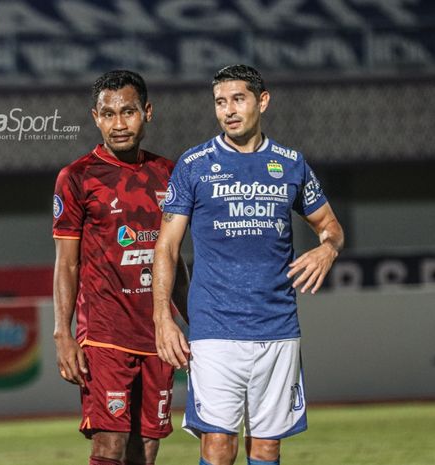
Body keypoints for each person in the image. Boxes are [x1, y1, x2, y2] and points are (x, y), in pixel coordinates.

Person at [152, 64, 344, 465]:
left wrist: (328, 249)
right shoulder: (194, 164)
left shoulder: (290, 163)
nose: (229, 110)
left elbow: (331, 227)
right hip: (214, 328)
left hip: (277, 325)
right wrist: (163, 319)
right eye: (221, 102)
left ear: (263, 100)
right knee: (218, 445)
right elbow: (166, 248)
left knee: (267, 446)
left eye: (238, 99)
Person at [53, 70, 188, 465]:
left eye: (127, 112)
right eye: (108, 114)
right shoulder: (77, 178)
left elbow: (175, 259)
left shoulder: (170, 173)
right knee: (109, 445)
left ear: (147, 112)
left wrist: (196, 322)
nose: (118, 123)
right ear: (95, 118)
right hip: (105, 334)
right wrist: (64, 332)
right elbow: (67, 264)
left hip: (157, 333)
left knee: (146, 449)